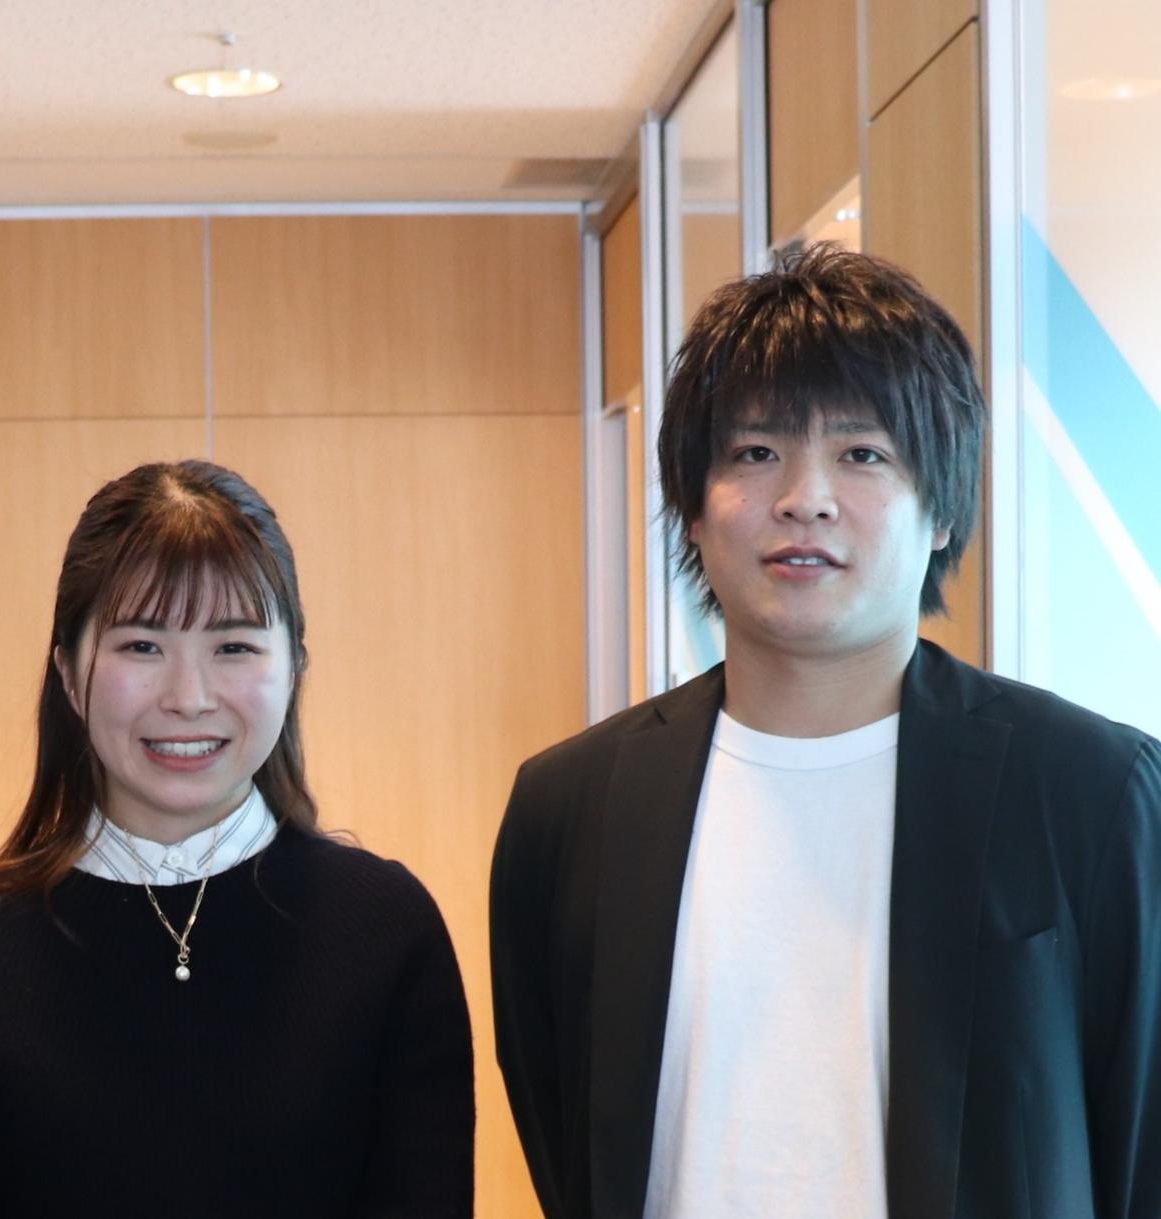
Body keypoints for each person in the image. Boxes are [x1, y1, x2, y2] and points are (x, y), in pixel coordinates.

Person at [489, 244, 1161, 1219]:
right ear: (693, 509)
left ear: (941, 508)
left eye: (862, 454)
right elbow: (567, 1137)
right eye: (755, 453)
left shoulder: (1090, 791)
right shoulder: (572, 808)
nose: (803, 497)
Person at [0, 460, 475, 1218]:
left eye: (233, 647)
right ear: (68, 671)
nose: (188, 698)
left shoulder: (387, 931)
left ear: (295, 664)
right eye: (142, 646)